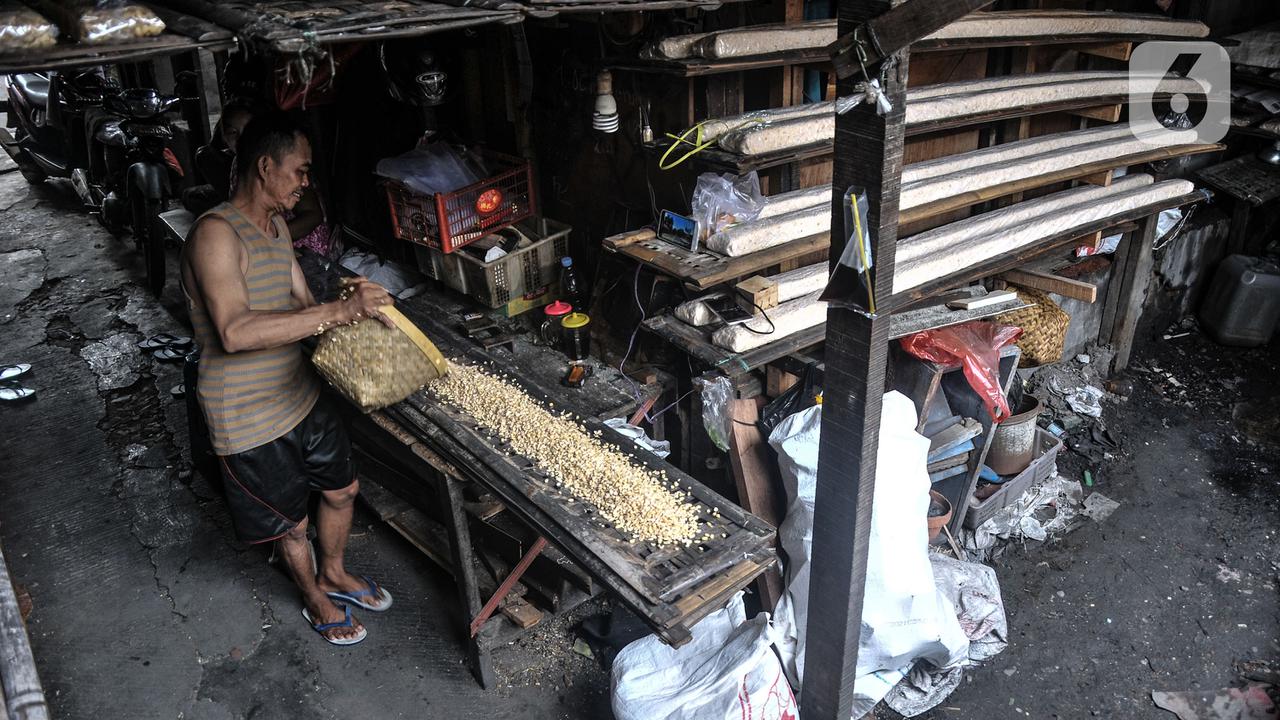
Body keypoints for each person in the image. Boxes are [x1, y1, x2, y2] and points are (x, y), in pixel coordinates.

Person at [180, 112, 393, 646]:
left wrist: (352, 306)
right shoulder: (215, 234)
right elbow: (234, 331)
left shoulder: (275, 230)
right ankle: (314, 596)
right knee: (290, 525)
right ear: (265, 165)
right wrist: (339, 315)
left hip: (298, 394)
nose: (306, 183)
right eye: (300, 171)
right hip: (247, 414)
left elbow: (303, 306)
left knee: (343, 490)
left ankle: (334, 571)